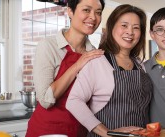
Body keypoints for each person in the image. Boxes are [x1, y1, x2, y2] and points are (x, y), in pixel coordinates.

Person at [66, 4, 153, 137]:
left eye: (136, 28)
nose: (130, 32)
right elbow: (74, 101)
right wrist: (106, 132)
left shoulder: (141, 64)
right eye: (124, 25)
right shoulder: (97, 62)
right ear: (112, 27)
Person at [25, 0, 105, 137]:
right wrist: (78, 64)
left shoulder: (94, 53)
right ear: (70, 11)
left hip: (78, 130)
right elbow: (45, 100)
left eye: (98, 12)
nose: (93, 17)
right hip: (46, 131)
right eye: (86, 10)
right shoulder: (48, 46)